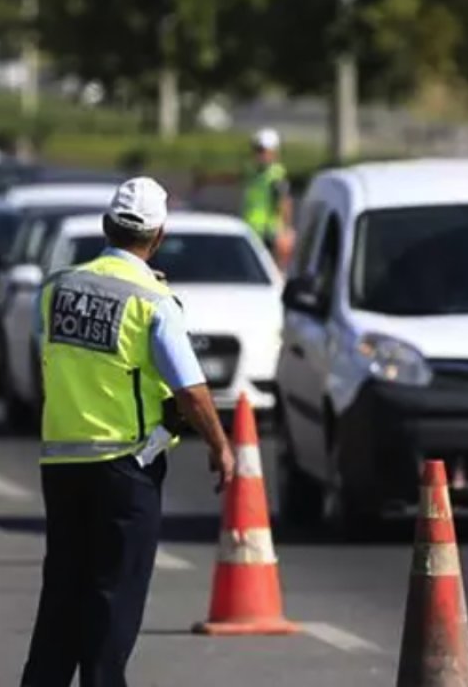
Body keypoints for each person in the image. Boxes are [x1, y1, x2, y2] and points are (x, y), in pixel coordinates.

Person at [20, 176, 237, 687]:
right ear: (158, 236)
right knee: (112, 602)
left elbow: (55, 357)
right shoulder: (153, 301)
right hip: (124, 469)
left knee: (62, 598)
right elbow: (191, 389)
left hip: (62, 465)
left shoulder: (55, 290)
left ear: (105, 227)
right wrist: (220, 446)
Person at [240, 127, 293, 261]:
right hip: (250, 228)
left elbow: (285, 202)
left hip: (269, 233)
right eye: (257, 150)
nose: (260, 155)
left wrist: (286, 231)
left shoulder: (276, 175)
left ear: (274, 153)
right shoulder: (252, 171)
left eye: (263, 151)